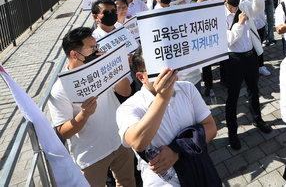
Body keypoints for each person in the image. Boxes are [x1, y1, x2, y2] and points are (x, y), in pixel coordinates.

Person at [116, 51, 220, 186]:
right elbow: (138, 142)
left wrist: (176, 151)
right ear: (141, 77)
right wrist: (162, 97)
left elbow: (211, 129)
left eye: (167, 66)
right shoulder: (128, 108)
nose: (165, 73)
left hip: (200, 171)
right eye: (155, 70)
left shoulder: (187, 88)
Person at [47, 27, 135, 187]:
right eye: (92, 48)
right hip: (91, 156)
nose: (97, 51)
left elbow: (126, 91)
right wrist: (83, 115)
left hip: (120, 142)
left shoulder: (101, 68)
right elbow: (63, 132)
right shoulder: (60, 89)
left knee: (128, 183)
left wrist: (117, 70)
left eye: (97, 47)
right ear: (74, 54)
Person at [222, 0, 272, 150]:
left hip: (250, 57)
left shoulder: (244, 6)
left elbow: (259, 7)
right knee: (233, 97)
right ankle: (233, 133)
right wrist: (240, 24)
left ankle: (257, 119)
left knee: (254, 90)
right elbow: (228, 40)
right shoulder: (219, 16)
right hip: (234, 60)